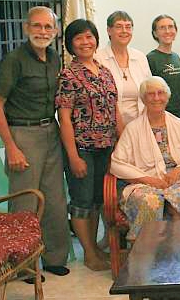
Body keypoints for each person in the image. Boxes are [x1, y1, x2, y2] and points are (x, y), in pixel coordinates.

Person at [0, 6, 71, 276]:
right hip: (23, 134)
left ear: (56, 31)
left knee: (55, 198)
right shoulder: (14, 60)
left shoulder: (53, 58)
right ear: (26, 28)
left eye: (48, 27)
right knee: (26, 202)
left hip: (51, 131)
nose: (42, 31)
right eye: (37, 26)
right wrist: (11, 147)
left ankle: (54, 258)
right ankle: (24, 266)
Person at [110, 77, 180, 240]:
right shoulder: (132, 129)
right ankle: (148, 257)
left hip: (176, 181)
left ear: (167, 97)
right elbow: (117, 164)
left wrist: (179, 170)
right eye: (151, 94)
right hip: (143, 184)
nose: (156, 98)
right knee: (150, 201)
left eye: (160, 93)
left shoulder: (179, 125)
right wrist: (148, 179)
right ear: (143, 99)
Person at [56, 19, 121, 271]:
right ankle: (89, 254)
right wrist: (73, 156)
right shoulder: (68, 74)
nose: (85, 42)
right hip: (82, 147)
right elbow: (64, 117)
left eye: (89, 37)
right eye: (79, 38)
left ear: (96, 39)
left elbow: (114, 110)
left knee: (97, 200)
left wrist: (122, 141)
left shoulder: (103, 70)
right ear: (71, 44)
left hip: (106, 146)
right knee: (82, 201)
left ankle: (94, 248)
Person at [95, 11, 152, 125]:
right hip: (109, 126)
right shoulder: (98, 59)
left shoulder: (140, 57)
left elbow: (148, 91)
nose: (124, 31)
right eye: (119, 27)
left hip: (140, 125)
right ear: (109, 30)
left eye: (128, 27)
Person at [147, 14, 180, 118]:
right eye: (162, 28)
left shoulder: (176, 57)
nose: (167, 31)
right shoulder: (151, 58)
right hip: (161, 115)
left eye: (170, 27)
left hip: (179, 114)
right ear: (155, 33)